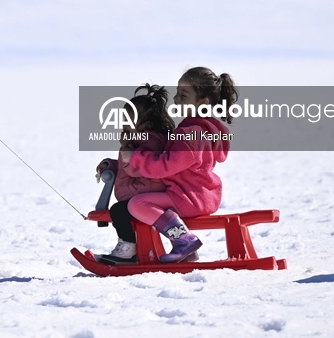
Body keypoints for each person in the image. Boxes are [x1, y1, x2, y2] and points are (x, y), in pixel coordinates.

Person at [95, 70, 235, 264]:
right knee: (137, 204)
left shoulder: (191, 133)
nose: (176, 99)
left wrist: (135, 157)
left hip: (187, 196)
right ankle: (187, 251)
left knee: (138, 204)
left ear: (203, 103)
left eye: (184, 96)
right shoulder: (200, 129)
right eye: (177, 92)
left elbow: (165, 165)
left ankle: (184, 240)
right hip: (197, 194)